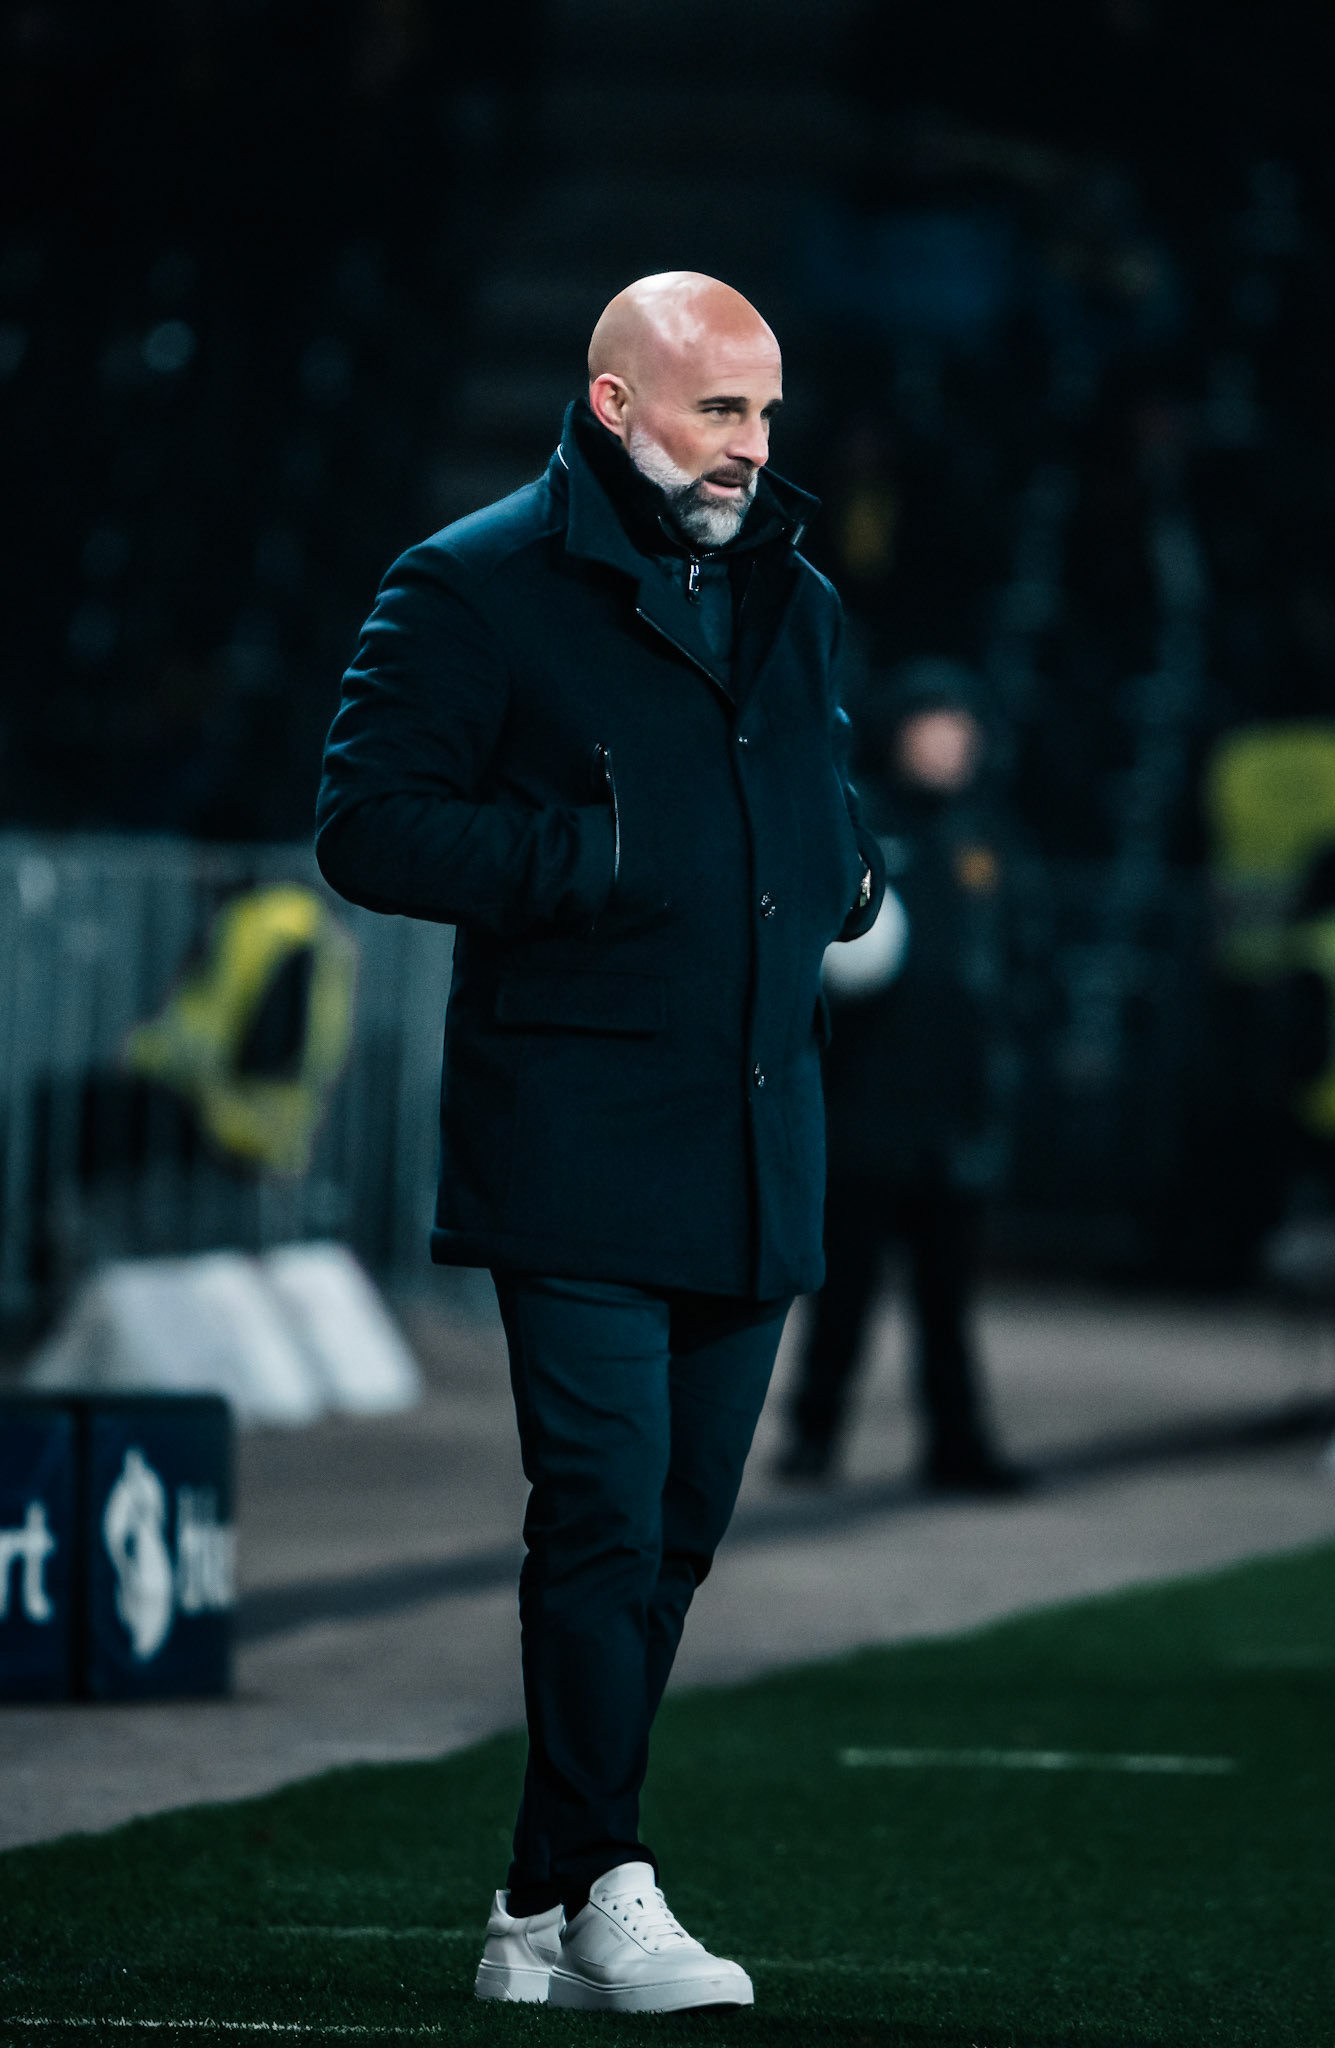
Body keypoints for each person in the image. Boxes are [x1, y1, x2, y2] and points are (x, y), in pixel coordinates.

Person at [315, 272, 884, 2013]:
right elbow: (366, 825)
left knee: (676, 1539)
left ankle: (536, 1897)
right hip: (571, 1133)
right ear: (619, 405)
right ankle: (613, 1875)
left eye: (770, 411)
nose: (755, 445)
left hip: (756, 1133)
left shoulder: (796, 592)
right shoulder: (472, 580)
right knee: (601, 1518)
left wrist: (846, 871)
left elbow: (818, 798)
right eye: (723, 410)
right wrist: (599, 867)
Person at [777, 659, 1022, 1493]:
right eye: (934, 727)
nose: (951, 745)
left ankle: (957, 1444)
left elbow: (1000, 966)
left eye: (962, 730)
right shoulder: (863, 820)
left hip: (952, 1111)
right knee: (842, 1287)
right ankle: (812, 1437)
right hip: (865, 1104)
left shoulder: (980, 837)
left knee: (946, 1299)